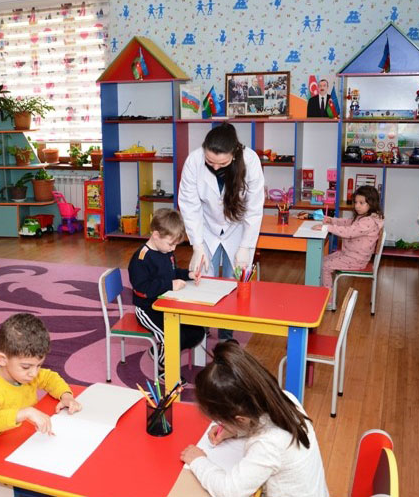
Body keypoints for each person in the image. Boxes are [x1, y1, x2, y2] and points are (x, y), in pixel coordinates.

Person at [180, 341, 329, 497]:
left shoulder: (268, 444)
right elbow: (263, 422)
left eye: (223, 421)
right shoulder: (285, 399)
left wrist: (198, 460)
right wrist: (235, 431)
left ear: (240, 419)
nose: (222, 424)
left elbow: (230, 491)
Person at [178, 123, 265, 341]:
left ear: (234, 153)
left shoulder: (251, 161)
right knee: (203, 279)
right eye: (210, 162)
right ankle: (201, 331)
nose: (216, 167)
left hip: (238, 229)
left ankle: (226, 336)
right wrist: (197, 245)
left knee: (232, 282)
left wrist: (245, 246)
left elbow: (254, 210)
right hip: (206, 228)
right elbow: (189, 205)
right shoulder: (194, 161)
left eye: (222, 163)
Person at [0, 313, 81, 448]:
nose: (34, 373)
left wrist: (66, 396)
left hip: (26, 437)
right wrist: (24, 413)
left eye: (39, 365)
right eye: (26, 367)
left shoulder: (25, 373)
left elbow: (50, 378)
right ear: (2, 360)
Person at [128, 208, 206, 379]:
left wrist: (188, 275)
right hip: (147, 309)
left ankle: (158, 351)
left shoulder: (166, 251)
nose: (173, 248)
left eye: (176, 244)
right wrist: (169, 285)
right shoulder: (141, 258)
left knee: (197, 332)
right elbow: (142, 289)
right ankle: (165, 370)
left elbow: (172, 272)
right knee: (172, 336)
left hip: (166, 305)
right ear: (156, 235)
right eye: (171, 244)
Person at [313, 185, 384, 307]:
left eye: (361, 203)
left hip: (356, 259)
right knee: (321, 261)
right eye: (355, 202)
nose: (357, 206)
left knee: (325, 265)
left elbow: (349, 232)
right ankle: (322, 292)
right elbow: (348, 222)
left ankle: (328, 300)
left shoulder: (369, 221)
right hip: (350, 254)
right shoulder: (365, 217)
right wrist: (332, 220)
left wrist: (327, 227)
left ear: (372, 203)